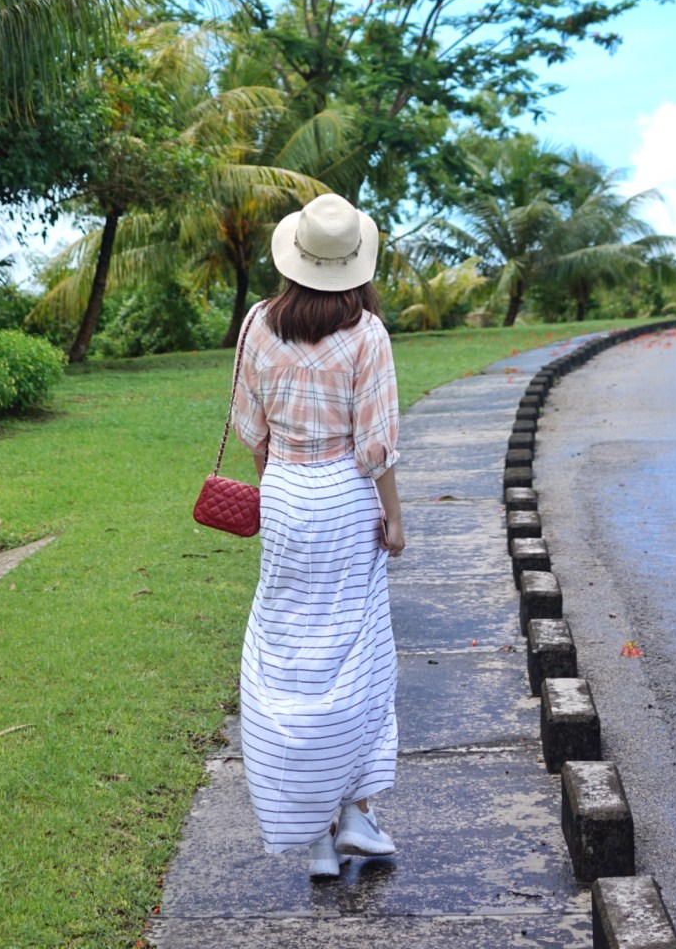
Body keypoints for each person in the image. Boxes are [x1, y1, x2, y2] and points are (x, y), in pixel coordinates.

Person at [231, 191, 405, 879]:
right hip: (344, 498)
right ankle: (357, 812)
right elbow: (376, 446)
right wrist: (394, 517)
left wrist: (279, 488)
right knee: (357, 655)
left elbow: (252, 432)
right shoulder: (367, 333)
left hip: (283, 493)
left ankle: (315, 839)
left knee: (289, 658)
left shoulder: (256, 323)